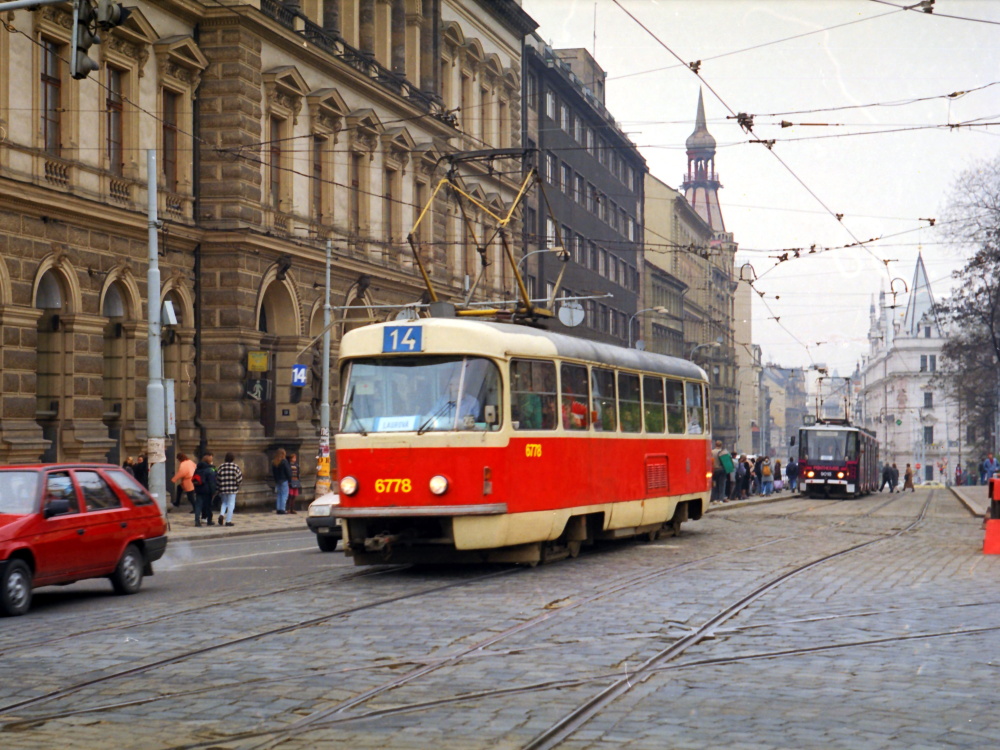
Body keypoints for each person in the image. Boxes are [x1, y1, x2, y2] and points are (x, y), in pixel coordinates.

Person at [216, 452, 243, 527]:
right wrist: (238, 484)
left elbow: (217, 478)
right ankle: (228, 520)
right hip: (232, 488)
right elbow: (239, 478)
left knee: (224, 503)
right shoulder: (235, 467)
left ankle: (221, 514)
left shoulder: (221, 466)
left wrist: (218, 487)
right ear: (233, 459)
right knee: (231, 504)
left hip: (223, 488)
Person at [193, 453, 218, 526]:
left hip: (198, 490)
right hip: (207, 491)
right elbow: (212, 482)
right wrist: (213, 491)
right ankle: (209, 520)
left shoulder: (198, 469)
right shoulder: (210, 470)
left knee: (198, 506)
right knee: (208, 506)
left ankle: (197, 521)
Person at [272, 448, 292, 514]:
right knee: (284, 495)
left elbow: (273, 472)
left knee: (279, 495)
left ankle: (278, 508)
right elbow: (288, 472)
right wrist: (290, 480)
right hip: (284, 480)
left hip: (278, 480)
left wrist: (276, 480)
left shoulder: (274, 462)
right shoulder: (284, 462)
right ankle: (282, 509)